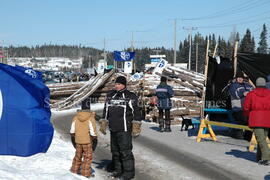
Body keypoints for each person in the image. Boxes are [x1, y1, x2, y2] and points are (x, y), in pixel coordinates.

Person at [99, 76, 142, 180]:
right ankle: (118, 171)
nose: (117, 86)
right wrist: (104, 122)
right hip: (113, 128)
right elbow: (106, 110)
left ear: (124, 85)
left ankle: (128, 173)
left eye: (119, 84)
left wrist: (136, 126)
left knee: (125, 151)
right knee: (115, 151)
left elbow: (136, 112)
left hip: (125, 129)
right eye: (116, 84)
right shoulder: (110, 95)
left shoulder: (130, 96)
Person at [244, 77, 270, 165]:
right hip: (267, 119)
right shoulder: (269, 94)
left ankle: (266, 157)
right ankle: (259, 157)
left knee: (261, 140)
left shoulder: (251, 94)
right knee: (261, 139)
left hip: (256, 118)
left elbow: (246, 107)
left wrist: (247, 115)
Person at [70, 109, 97, 178]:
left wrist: (75, 137)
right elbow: (92, 132)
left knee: (78, 156)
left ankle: (74, 170)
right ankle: (85, 173)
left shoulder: (75, 118)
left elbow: (72, 131)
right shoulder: (90, 118)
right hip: (87, 142)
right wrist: (94, 138)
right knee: (87, 157)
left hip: (78, 141)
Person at [228, 71, 253, 139]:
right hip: (238, 108)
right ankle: (237, 134)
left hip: (247, 108)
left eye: (241, 78)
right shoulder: (233, 85)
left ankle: (248, 135)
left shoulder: (247, 85)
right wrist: (244, 93)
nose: (240, 79)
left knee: (251, 119)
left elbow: (253, 90)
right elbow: (236, 94)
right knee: (243, 119)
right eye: (238, 77)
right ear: (236, 78)